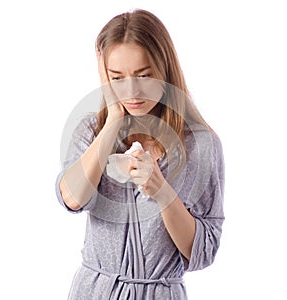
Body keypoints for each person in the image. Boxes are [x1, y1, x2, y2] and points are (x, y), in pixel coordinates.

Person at [55, 9, 225, 300]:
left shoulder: (202, 145)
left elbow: (204, 251)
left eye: (143, 75)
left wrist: (161, 191)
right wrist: (112, 123)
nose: (131, 91)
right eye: (117, 77)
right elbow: (72, 198)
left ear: (164, 69)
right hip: (93, 292)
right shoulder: (91, 130)